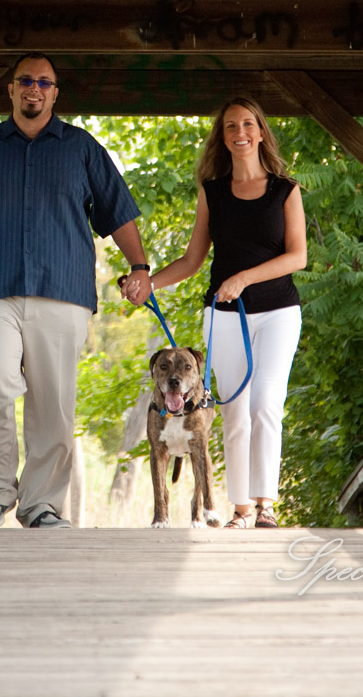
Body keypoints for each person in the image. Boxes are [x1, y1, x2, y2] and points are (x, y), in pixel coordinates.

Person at [0, 53, 151, 529]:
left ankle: (41, 504)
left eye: (44, 82)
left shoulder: (82, 149)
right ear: (10, 90)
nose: (34, 89)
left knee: (53, 400)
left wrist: (140, 266)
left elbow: (119, 213)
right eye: (26, 81)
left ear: (55, 92)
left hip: (63, 290)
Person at [130, 97, 306, 529]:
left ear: (261, 132)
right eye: (231, 126)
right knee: (234, 409)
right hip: (224, 316)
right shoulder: (213, 193)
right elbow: (192, 260)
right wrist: (147, 283)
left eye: (248, 124)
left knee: (266, 402)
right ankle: (241, 509)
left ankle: (266, 504)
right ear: (222, 137)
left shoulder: (285, 189)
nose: (240, 132)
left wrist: (244, 278)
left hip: (278, 311)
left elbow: (297, 256)